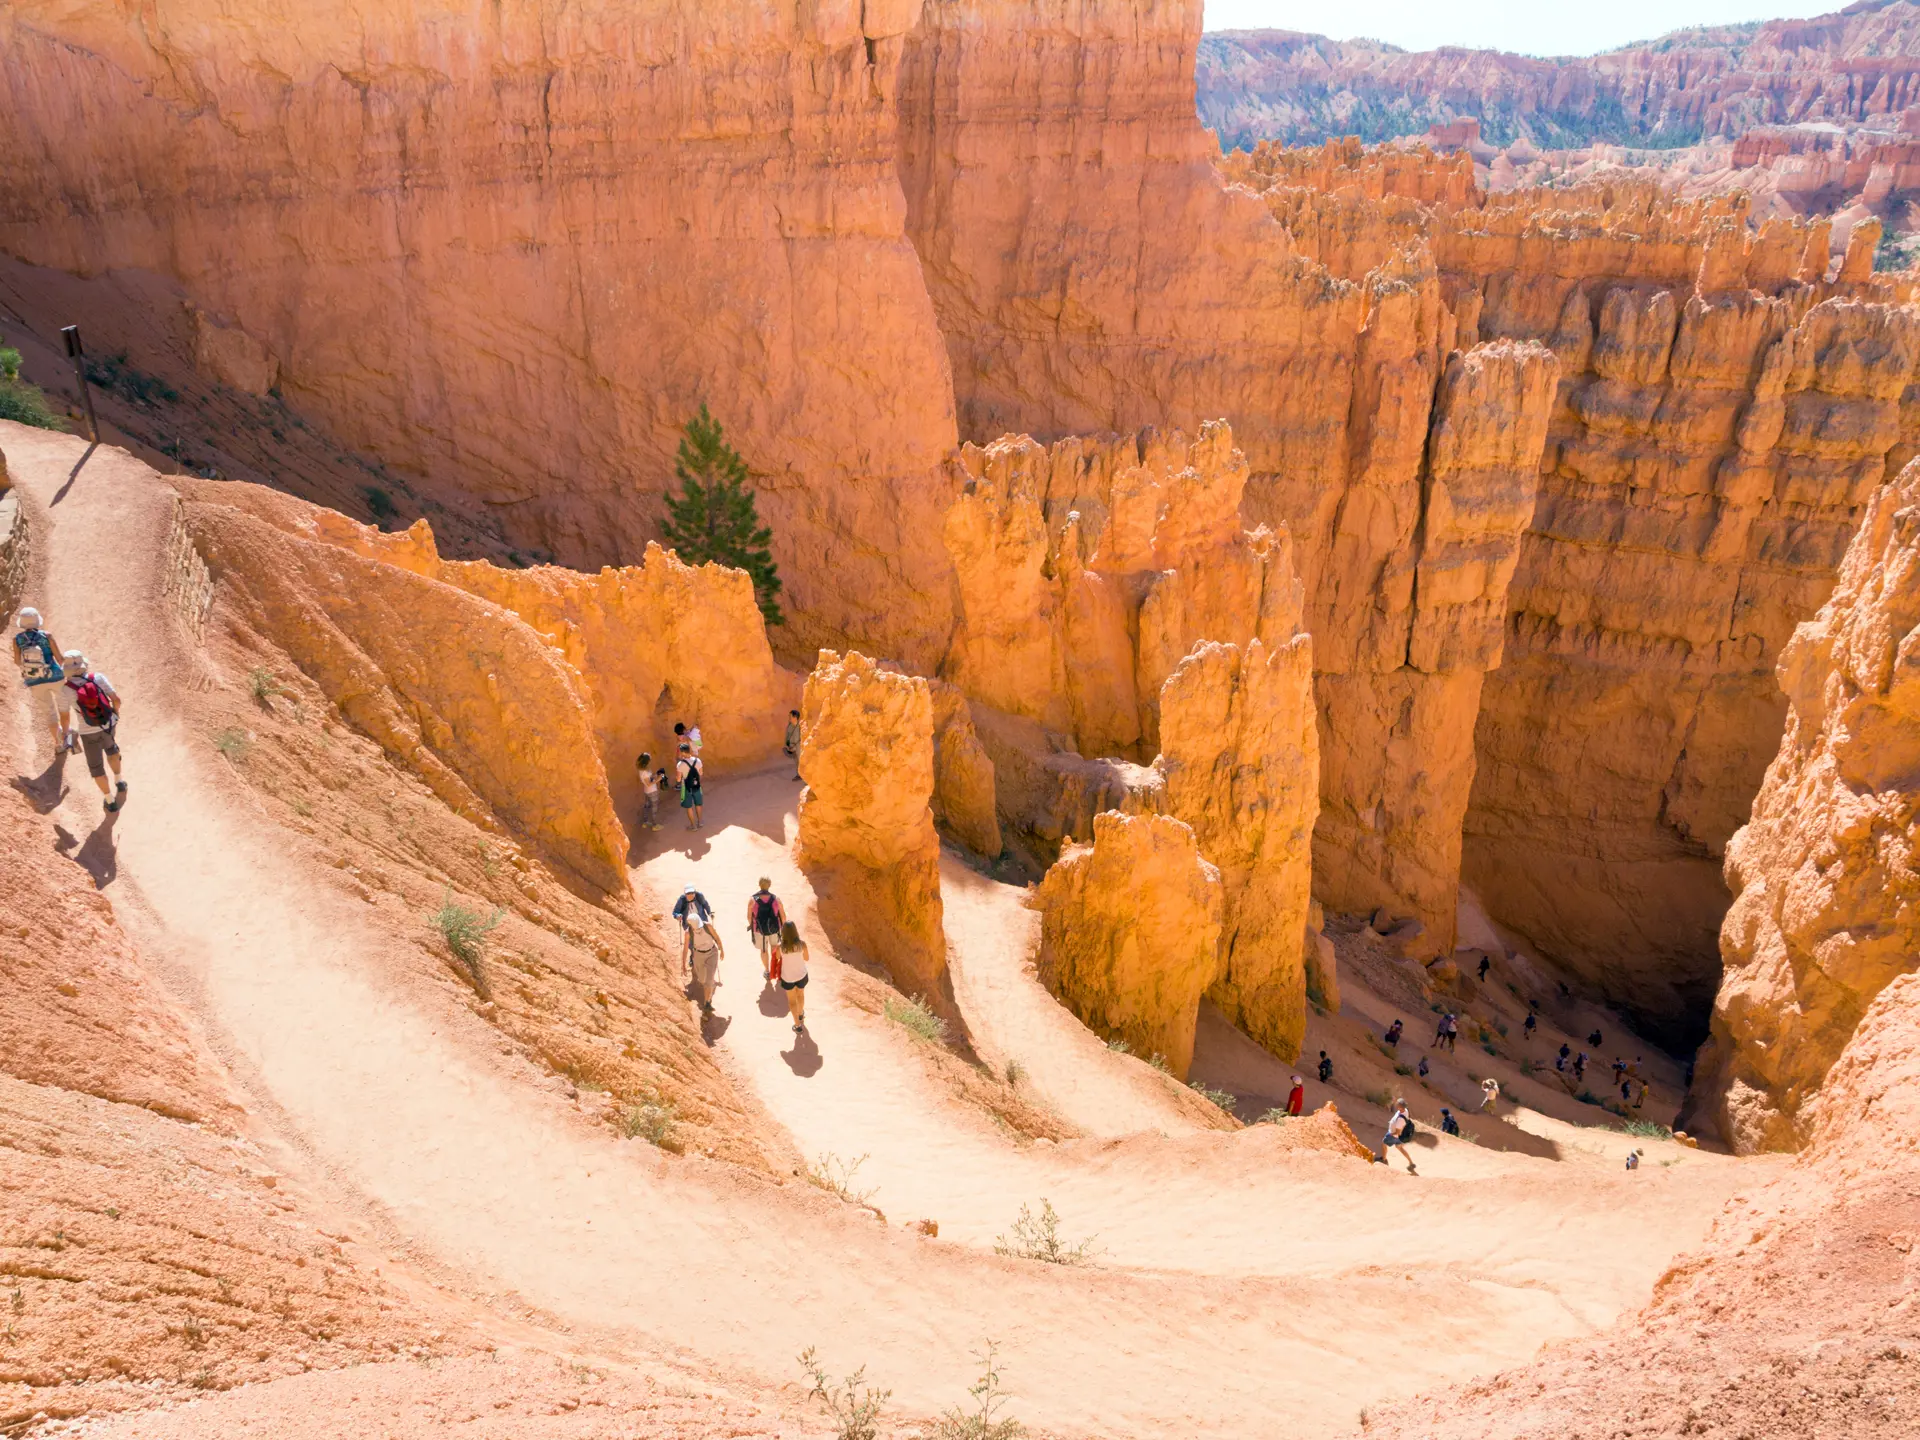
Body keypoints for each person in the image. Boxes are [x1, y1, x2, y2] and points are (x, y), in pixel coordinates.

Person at [61, 652, 126, 811]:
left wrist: (67, 734)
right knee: (111, 750)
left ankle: (110, 801)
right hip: (108, 724)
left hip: (87, 731)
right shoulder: (98, 678)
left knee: (96, 767)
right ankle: (119, 781)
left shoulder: (65, 690)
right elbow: (116, 700)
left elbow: (64, 717)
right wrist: (115, 713)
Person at [13, 608, 73, 757]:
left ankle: (59, 744)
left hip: (34, 681)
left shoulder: (17, 639)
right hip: (55, 677)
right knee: (63, 708)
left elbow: (17, 661)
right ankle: (67, 736)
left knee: (50, 714)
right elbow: (59, 658)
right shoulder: (46, 636)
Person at [747, 878, 787, 982]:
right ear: (769, 885)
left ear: (759, 885)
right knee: (774, 948)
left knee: (764, 950)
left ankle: (767, 971)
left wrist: (753, 925)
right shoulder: (776, 899)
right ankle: (776, 969)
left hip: (759, 929)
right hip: (774, 928)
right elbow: (783, 916)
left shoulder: (752, 899)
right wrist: (783, 927)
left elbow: (749, 917)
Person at [683, 915, 723, 1015]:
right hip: (698, 955)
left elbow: (717, 938)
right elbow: (685, 949)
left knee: (708, 981)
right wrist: (683, 964)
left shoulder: (707, 926)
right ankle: (707, 997)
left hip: (712, 953)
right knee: (702, 980)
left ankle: (707, 1003)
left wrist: (722, 949)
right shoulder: (688, 933)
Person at [775, 919, 810, 1032]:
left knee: (792, 1001)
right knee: (800, 995)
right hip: (801, 975)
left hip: (788, 977)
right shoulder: (802, 944)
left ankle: (797, 1025)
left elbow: (777, 958)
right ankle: (801, 1014)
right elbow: (806, 958)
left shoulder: (781, 947)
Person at [1379, 1099, 1417, 1174]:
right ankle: (1411, 1163)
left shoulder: (1400, 1120)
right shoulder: (1405, 1110)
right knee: (1399, 1147)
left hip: (1395, 1135)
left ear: (1400, 1107)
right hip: (1398, 1136)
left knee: (1383, 1143)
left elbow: (1398, 1132)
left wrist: (1391, 1134)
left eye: (1397, 1104)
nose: (1396, 1104)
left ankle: (1384, 1160)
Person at [675, 743, 704, 830]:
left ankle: (693, 826)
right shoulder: (698, 761)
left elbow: (678, 780)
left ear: (683, 752)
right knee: (698, 804)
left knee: (689, 806)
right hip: (697, 785)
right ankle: (700, 822)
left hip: (686, 787)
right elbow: (701, 773)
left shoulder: (680, 764)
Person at [636, 752, 661, 831]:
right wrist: (658, 779)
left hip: (646, 791)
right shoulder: (645, 772)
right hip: (652, 791)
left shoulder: (641, 770)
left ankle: (645, 822)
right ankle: (655, 825)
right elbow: (649, 784)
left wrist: (654, 776)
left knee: (647, 806)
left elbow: (647, 779)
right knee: (654, 807)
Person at [784, 708, 802, 781]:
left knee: (801, 761)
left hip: (799, 746)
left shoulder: (800, 726)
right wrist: (788, 745)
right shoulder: (790, 726)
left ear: (795, 717)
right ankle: (799, 775)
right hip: (792, 747)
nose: (789, 718)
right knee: (797, 761)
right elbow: (787, 736)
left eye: (790, 716)